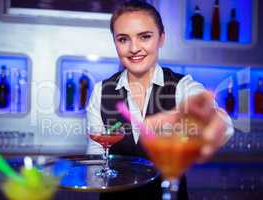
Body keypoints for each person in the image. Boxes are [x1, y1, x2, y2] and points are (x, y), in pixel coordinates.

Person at [86, 1, 234, 200]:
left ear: (161, 38)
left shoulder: (182, 86)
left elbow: (222, 123)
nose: (134, 48)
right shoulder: (101, 91)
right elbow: (95, 159)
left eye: (145, 37)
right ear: (115, 43)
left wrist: (209, 122)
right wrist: (94, 175)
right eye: (123, 39)